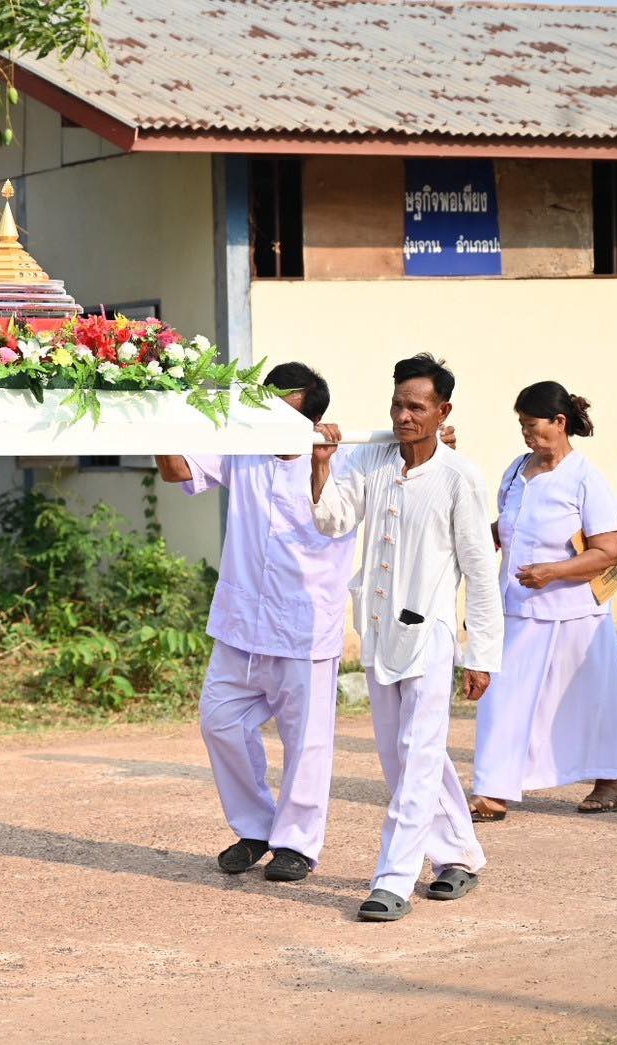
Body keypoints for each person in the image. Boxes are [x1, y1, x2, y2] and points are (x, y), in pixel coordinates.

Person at [311, 353, 501, 922]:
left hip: (431, 636)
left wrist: (481, 653)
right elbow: (333, 521)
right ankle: (460, 853)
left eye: (416, 407)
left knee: (417, 757)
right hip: (377, 629)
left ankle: (393, 878)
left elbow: (479, 569)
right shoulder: (371, 460)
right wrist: (322, 463)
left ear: (442, 411)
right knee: (406, 759)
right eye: (397, 404)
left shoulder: (459, 476)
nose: (403, 415)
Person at [154, 363, 357, 883]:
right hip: (241, 621)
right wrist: (155, 412)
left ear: (312, 421)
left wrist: (323, 462)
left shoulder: (344, 464)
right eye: (263, 408)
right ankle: (257, 828)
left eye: (282, 414)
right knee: (219, 722)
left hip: (303, 628)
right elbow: (177, 469)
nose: (267, 421)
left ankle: (298, 845)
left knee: (305, 742)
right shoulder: (242, 447)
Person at [469, 383, 617, 822]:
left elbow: (608, 552)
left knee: (587, 699)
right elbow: (508, 526)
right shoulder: (517, 469)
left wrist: (551, 571)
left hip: (576, 613)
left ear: (559, 423)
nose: (525, 434)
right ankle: (495, 789)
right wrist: (480, 539)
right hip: (518, 606)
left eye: (531, 424)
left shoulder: (585, 478)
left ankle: (608, 781)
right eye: (521, 425)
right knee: (504, 697)